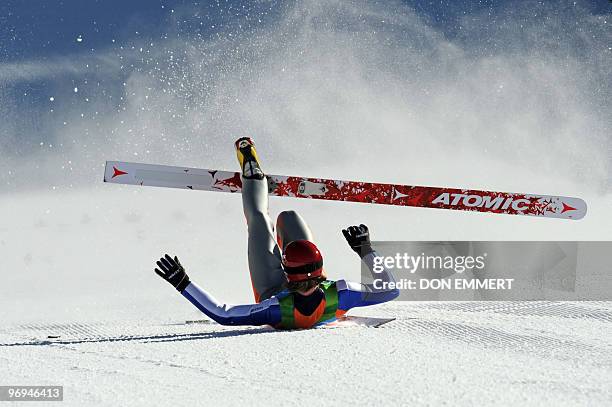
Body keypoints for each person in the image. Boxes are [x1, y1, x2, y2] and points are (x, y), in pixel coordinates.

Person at [154, 137, 399, 329]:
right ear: (320, 267)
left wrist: (183, 283)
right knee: (289, 217)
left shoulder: (274, 308)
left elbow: (224, 314)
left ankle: (253, 177)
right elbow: (390, 290)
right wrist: (365, 250)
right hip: (307, 285)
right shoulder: (341, 294)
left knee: (260, 222)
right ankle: (257, 183)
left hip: (271, 288)